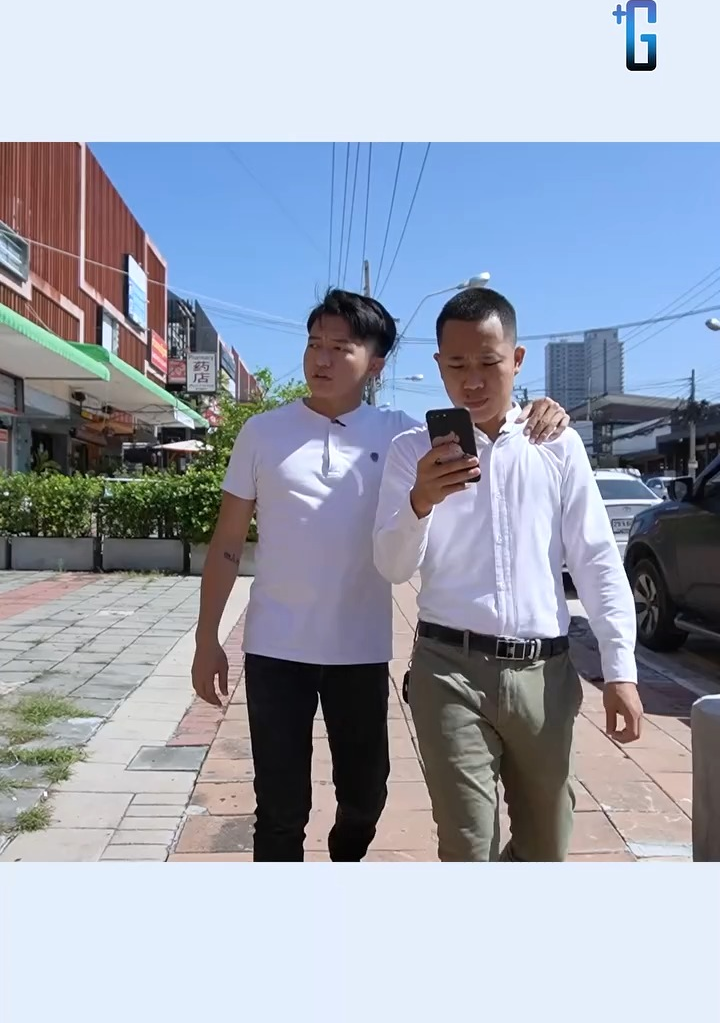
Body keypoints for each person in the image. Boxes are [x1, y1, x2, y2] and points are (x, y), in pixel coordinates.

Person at [191, 288, 571, 862]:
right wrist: (207, 639)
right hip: (275, 649)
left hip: (361, 651)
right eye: (314, 344)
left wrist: (542, 409)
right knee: (279, 809)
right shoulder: (263, 433)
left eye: (340, 347)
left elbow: (490, 425)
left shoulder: (403, 436)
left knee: (365, 799)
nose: (321, 359)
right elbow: (225, 545)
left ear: (376, 364)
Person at [373, 285, 643, 862]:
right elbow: (393, 566)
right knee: (468, 848)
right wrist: (420, 501)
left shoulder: (557, 444)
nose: (472, 380)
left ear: (517, 360)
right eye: (456, 365)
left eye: (488, 363)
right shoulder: (409, 452)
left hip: (545, 674)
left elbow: (595, 557)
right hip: (449, 670)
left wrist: (621, 669)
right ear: (438, 365)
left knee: (547, 849)